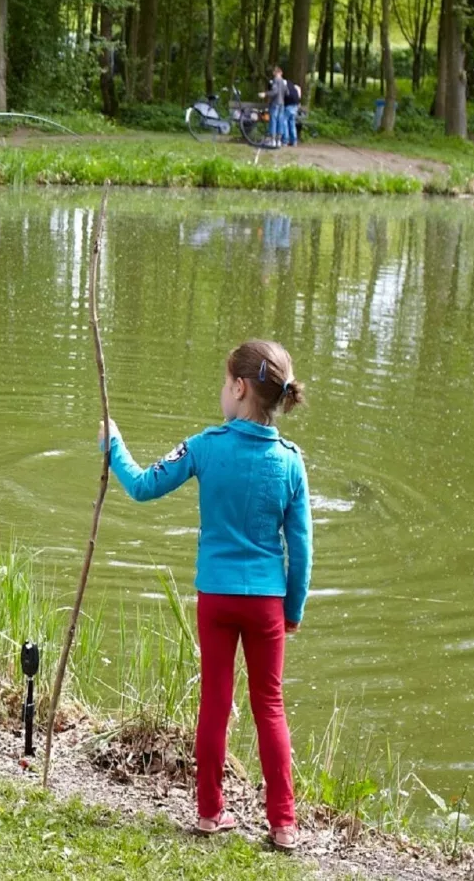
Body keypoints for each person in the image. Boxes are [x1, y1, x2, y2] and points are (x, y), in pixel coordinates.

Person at [102, 339, 311, 851]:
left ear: (239, 389)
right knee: (270, 706)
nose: (222, 391)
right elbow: (301, 547)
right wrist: (293, 609)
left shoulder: (204, 446)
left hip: (215, 598)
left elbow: (143, 486)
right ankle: (283, 824)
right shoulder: (290, 463)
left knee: (215, 704)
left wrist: (113, 445)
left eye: (224, 382)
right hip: (266, 601)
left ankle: (209, 814)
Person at [259, 66, 292, 149]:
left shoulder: (275, 80)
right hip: (282, 104)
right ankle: (279, 140)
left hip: (275, 103)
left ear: (275, 72)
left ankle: (273, 141)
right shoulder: (283, 82)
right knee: (280, 121)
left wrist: (265, 94)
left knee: (273, 121)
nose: (273, 74)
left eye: (274, 72)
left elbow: (274, 91)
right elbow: (287, 93)